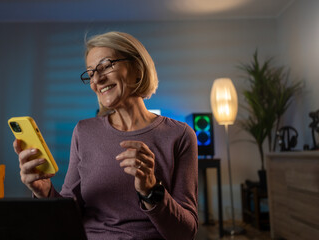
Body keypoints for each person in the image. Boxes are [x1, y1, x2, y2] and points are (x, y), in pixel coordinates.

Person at [13, 31, 198, 240]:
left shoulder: (180, 135)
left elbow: (185, 233)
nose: (97, 79)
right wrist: (44, 191)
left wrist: (151, 190)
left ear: (137, 68)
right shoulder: (84, 132)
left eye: (106, 65)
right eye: (91, 73)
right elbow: (68, 215)